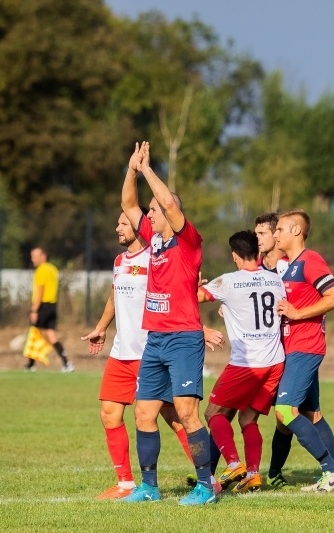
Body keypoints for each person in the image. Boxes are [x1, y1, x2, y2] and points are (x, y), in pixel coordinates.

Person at [80, 211, 215, 500]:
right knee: (109, 413)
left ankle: (209, 478)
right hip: (121, 350)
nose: (117, 227)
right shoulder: (119, 261)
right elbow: (115, 295)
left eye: (123, 223)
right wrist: (101, 328)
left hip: (151, 350)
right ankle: (127, 483)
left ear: (139, 227)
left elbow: (179, 297)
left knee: (176, 416)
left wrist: (199, 329)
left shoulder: (154, 257)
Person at [119, 141, 216, 506]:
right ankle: (149, 487)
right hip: (155, 339)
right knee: (144, 412)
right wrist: (131, 168)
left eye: (156, 210)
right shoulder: (155, 243)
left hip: (183, 338)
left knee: (187, 412)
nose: (151, 214)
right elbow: (129, 205)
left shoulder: (188, 242)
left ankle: (207, 486)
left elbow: (171, 204)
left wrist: (147, 170)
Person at [197, 229, 287, 494]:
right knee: (248, 418)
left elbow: (194, 298)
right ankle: (253, 475)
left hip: (248, 363)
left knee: (213, 413)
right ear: (258, 254)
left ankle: (234, 463)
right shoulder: (275, 280)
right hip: (275, 361)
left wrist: (195, 290)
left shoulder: (228, 281)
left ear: (235, 256)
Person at [272, 208, 334, 493]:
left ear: (295, 231)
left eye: (279, 229)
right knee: (311, 413)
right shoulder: (289, 264)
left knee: (284, 411)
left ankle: (331, 470)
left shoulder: (310, 260)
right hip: (294, 347)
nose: (276, 234)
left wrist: (298, 313)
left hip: (306, 346)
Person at [253, 212, 295, 490]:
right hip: (257, 356)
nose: (258, 239)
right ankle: (214, 473)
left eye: (263, 234)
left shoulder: (289, 268)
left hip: (289, 353)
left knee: (286, 418)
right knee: (237, 413)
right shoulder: (254, 267)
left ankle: (275, 472)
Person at [25, 247, 73, 372]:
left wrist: (34, 310)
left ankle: (31, 365)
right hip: (53, 306)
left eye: (35, 256)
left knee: (34, 333)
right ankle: (66, 363)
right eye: (32, 256)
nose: (33, 259)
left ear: (43, 256)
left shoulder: (41, 270)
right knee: (51, 334)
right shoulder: (53, 269)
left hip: (43, 306)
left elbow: (40, 291)